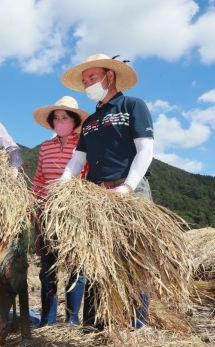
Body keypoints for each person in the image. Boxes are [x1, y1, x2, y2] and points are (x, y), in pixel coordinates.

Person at [60, 53, 154, 329]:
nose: (88, 83)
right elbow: (78, 160)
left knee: (135, 259)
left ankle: (137, 325)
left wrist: (128, 186)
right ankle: (97, 324)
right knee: (97, 261)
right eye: (85, 79)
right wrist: (61, 186)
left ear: (109, 77)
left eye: (93, 77)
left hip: (131, 191)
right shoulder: (89, 122)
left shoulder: (133, 106)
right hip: (97, 195)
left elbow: (145, 149)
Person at [31, 96, 88, 326]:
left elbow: (86, 177)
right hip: (47, 213)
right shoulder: (45, 148)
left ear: (74, 121)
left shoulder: (83, 146)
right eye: (56, 118)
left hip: (74, 214)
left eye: (65, 117)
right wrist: (32, 202)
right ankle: (48, 320)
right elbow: (39, 179)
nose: (60, 121)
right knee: (48, 269)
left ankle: (72, 320)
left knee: (76, 268)